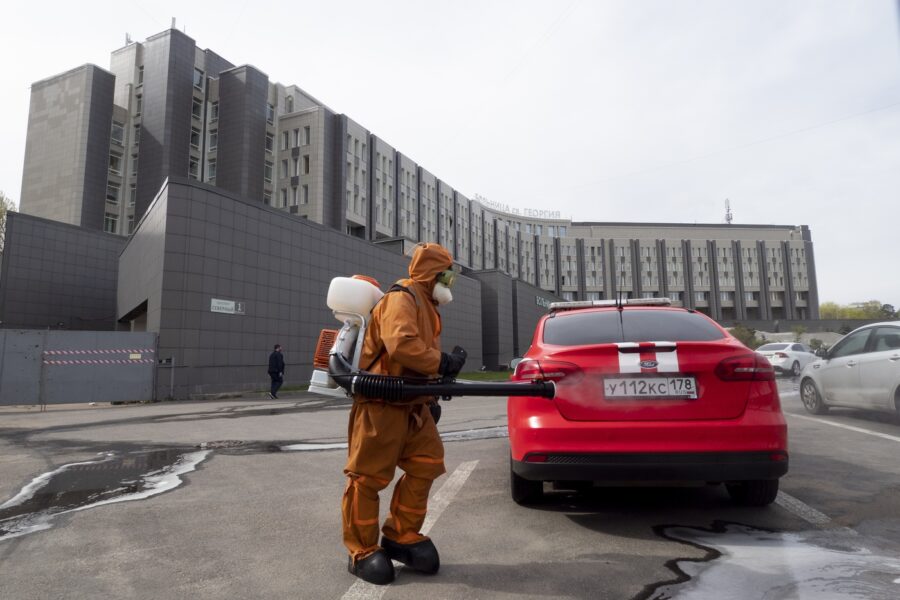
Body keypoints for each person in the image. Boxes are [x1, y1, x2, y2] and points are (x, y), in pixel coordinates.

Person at [343, 243, 467, 585]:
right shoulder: (403, 298)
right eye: (447, 276)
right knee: (368, 478)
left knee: (427, 462)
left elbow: (414, 359)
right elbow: (402, 345)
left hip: (413, 406)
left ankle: (401, 535)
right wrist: (442, 363)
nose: (449, 284)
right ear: (431, 274)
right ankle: (362, 550)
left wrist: (430, 398)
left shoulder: (427, 304)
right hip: (381, 405)